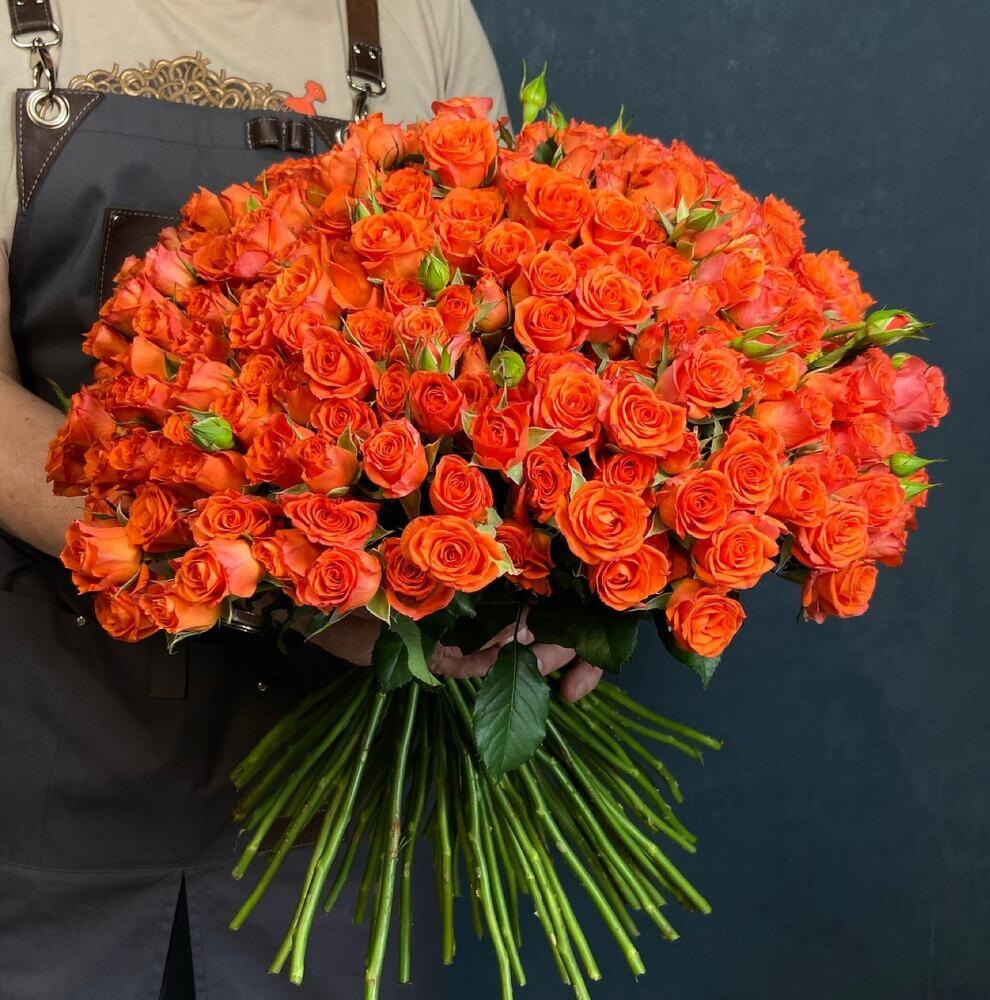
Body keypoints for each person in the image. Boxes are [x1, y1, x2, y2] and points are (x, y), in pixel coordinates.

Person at [0, 2, 600, 998]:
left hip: (347, 802)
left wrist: (569, 577)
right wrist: (279, 582)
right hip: (57, 765)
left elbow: (504, 351)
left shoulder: (419, 19)